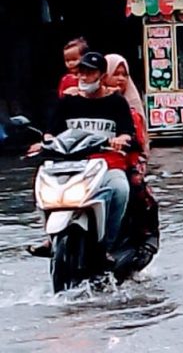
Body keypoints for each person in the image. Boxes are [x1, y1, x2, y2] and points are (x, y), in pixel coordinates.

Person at [27, 52, 137, 260]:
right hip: (69, 163)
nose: (84, 78)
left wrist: (120, 139)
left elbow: (126, 132)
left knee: (120, 189)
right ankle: (51, 239)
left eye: (90, 73)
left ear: (102, 76)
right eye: (82, 73)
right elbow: (51, 131)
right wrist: (43, 143)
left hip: (107, 163)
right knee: (41, 185)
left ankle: (108, 245)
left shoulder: (116, 102)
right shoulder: (68, 101)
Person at [104, 54, 160, 261]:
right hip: (95, 164)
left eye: (124, 75)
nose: (120, 79)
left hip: (126, 161)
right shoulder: (90, 103)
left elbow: (138, 140)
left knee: (137, 186)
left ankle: (148, 236)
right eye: (114, 74)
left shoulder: (130, 109)